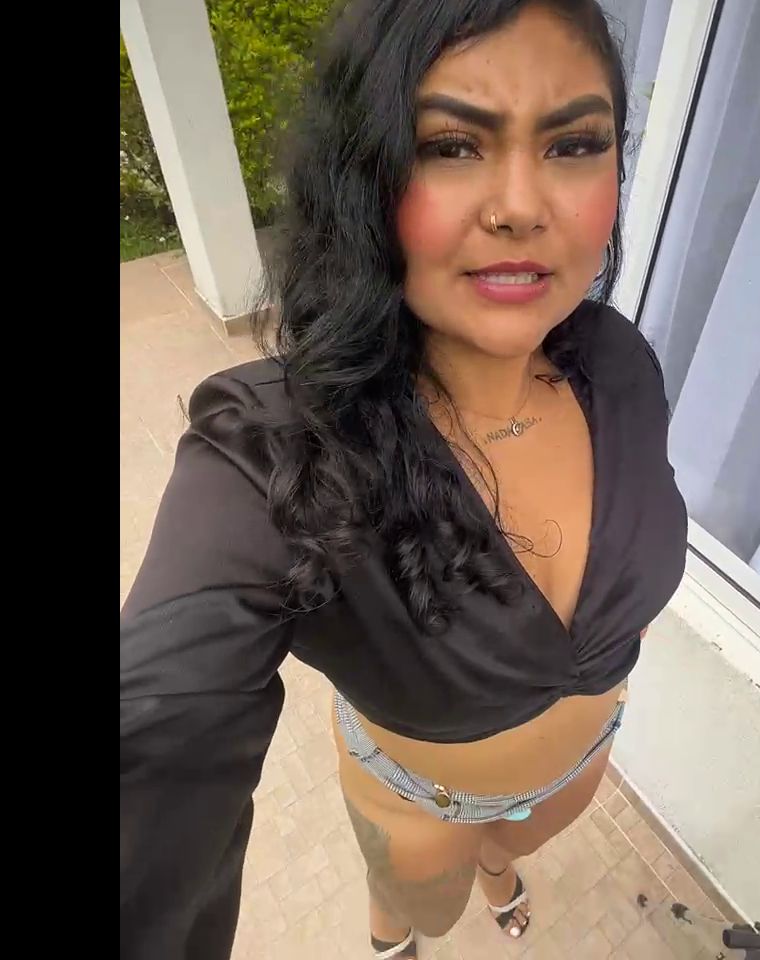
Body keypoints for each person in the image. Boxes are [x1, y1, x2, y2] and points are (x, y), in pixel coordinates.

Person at [119, 1, 688, 957]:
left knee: (511, 849)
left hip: (585, 759)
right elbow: (158, 727)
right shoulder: (277, 450)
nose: (521, 206)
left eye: (573, 144)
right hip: (423, 804)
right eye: (452, 146)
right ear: (365, 178)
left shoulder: (619, 364)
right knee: (420, 916)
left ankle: (500, 867)